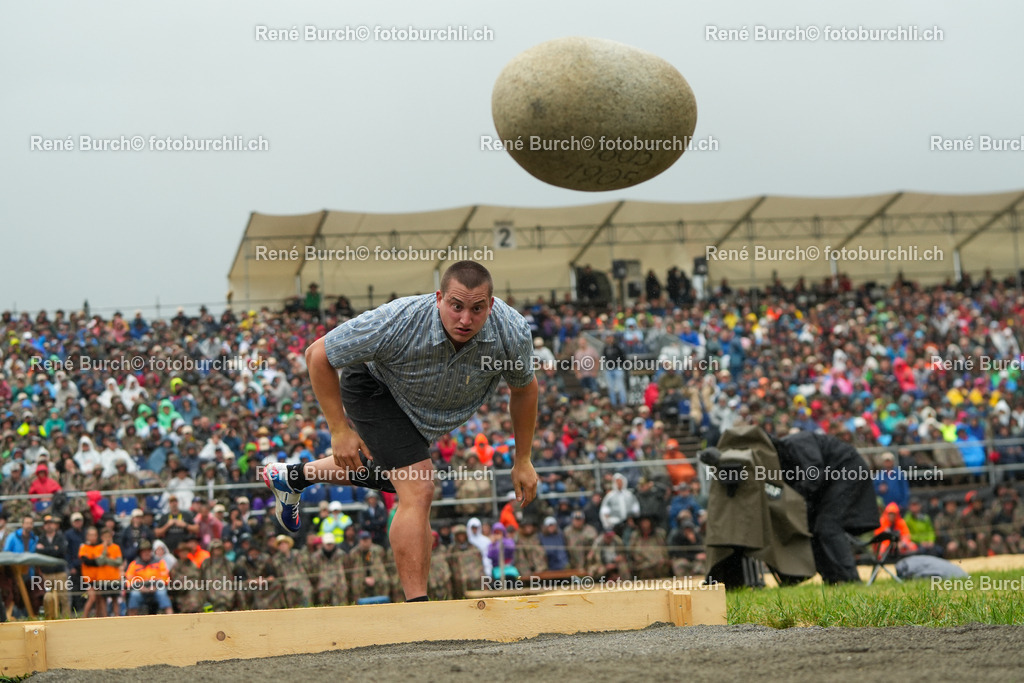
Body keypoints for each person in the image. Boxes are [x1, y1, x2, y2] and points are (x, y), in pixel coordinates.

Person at [264, 261, 539, 602]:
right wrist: (339, 431)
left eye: (477, 309)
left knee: (393, 477)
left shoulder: (510, 331)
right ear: (439, 298)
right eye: (456, 306)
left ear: (491, 306)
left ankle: (292, 476)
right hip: (373, 388)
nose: (465, 319)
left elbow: (525, 389)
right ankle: (417, 607)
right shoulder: (400, 320)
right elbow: (317, 355)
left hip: (420, 418)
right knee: (418, 488)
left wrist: (523, 459)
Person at [125, 540, 173, 615]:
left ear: (151, 551)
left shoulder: (159, 562)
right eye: (144, 551)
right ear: (140, 553)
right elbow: (129, 580)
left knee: (162, 593)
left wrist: (155, 586)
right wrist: (140, 587)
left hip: (156, 588)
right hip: (140, 590)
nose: (146, 553)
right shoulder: (134, 564)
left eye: (148, 551)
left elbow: (165, 578)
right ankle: (131, 621)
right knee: (134, 595)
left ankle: (171, 618)